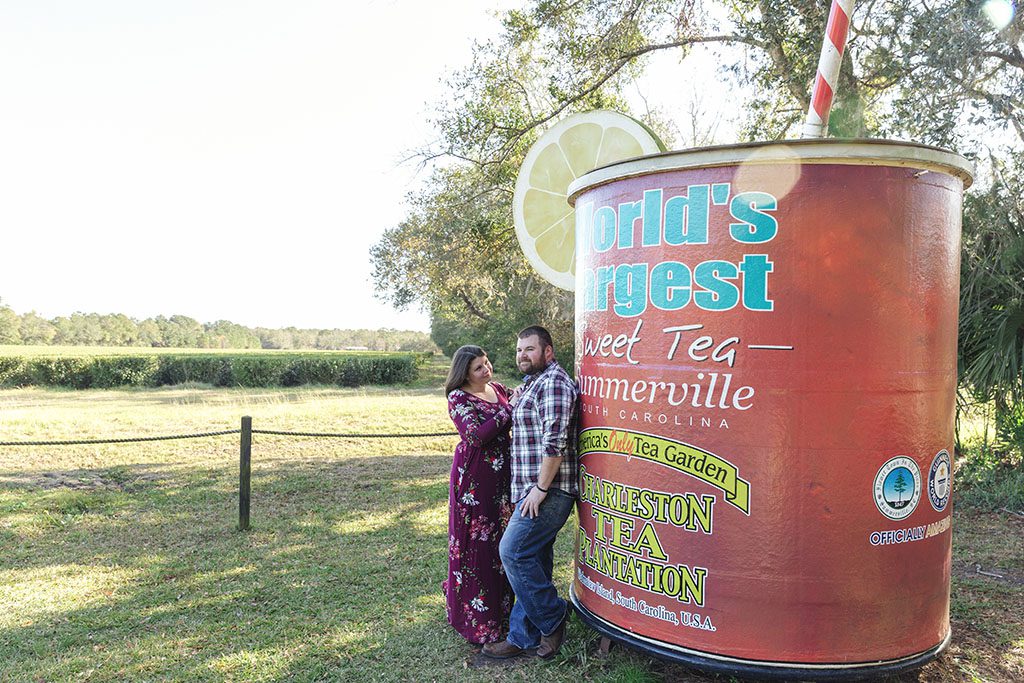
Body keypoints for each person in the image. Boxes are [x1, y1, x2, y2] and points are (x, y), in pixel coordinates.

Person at [482, 326, 579, 660]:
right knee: (534, 559)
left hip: (549, 490)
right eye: (519, 349)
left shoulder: (553, 383)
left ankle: (553, 617)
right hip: (529, 488)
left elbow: (556, 441)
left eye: (530, 349)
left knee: (513, 552)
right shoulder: (531, 384)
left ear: (548, 351)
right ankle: (523, 636)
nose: (522, 355)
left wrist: (540, 489)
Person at [442, 345, 514, 645]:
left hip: (504, 476)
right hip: (475, 480)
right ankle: (479, 621)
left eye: (487, 363)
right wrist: (509, 410)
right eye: (478, 368)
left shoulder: (497, 389)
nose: (487, 370)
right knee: (478, 546)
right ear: (465, 373)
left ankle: (507, 612)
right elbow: (474, 435)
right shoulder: (457, 397)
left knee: (504, 542)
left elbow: (524, 394)